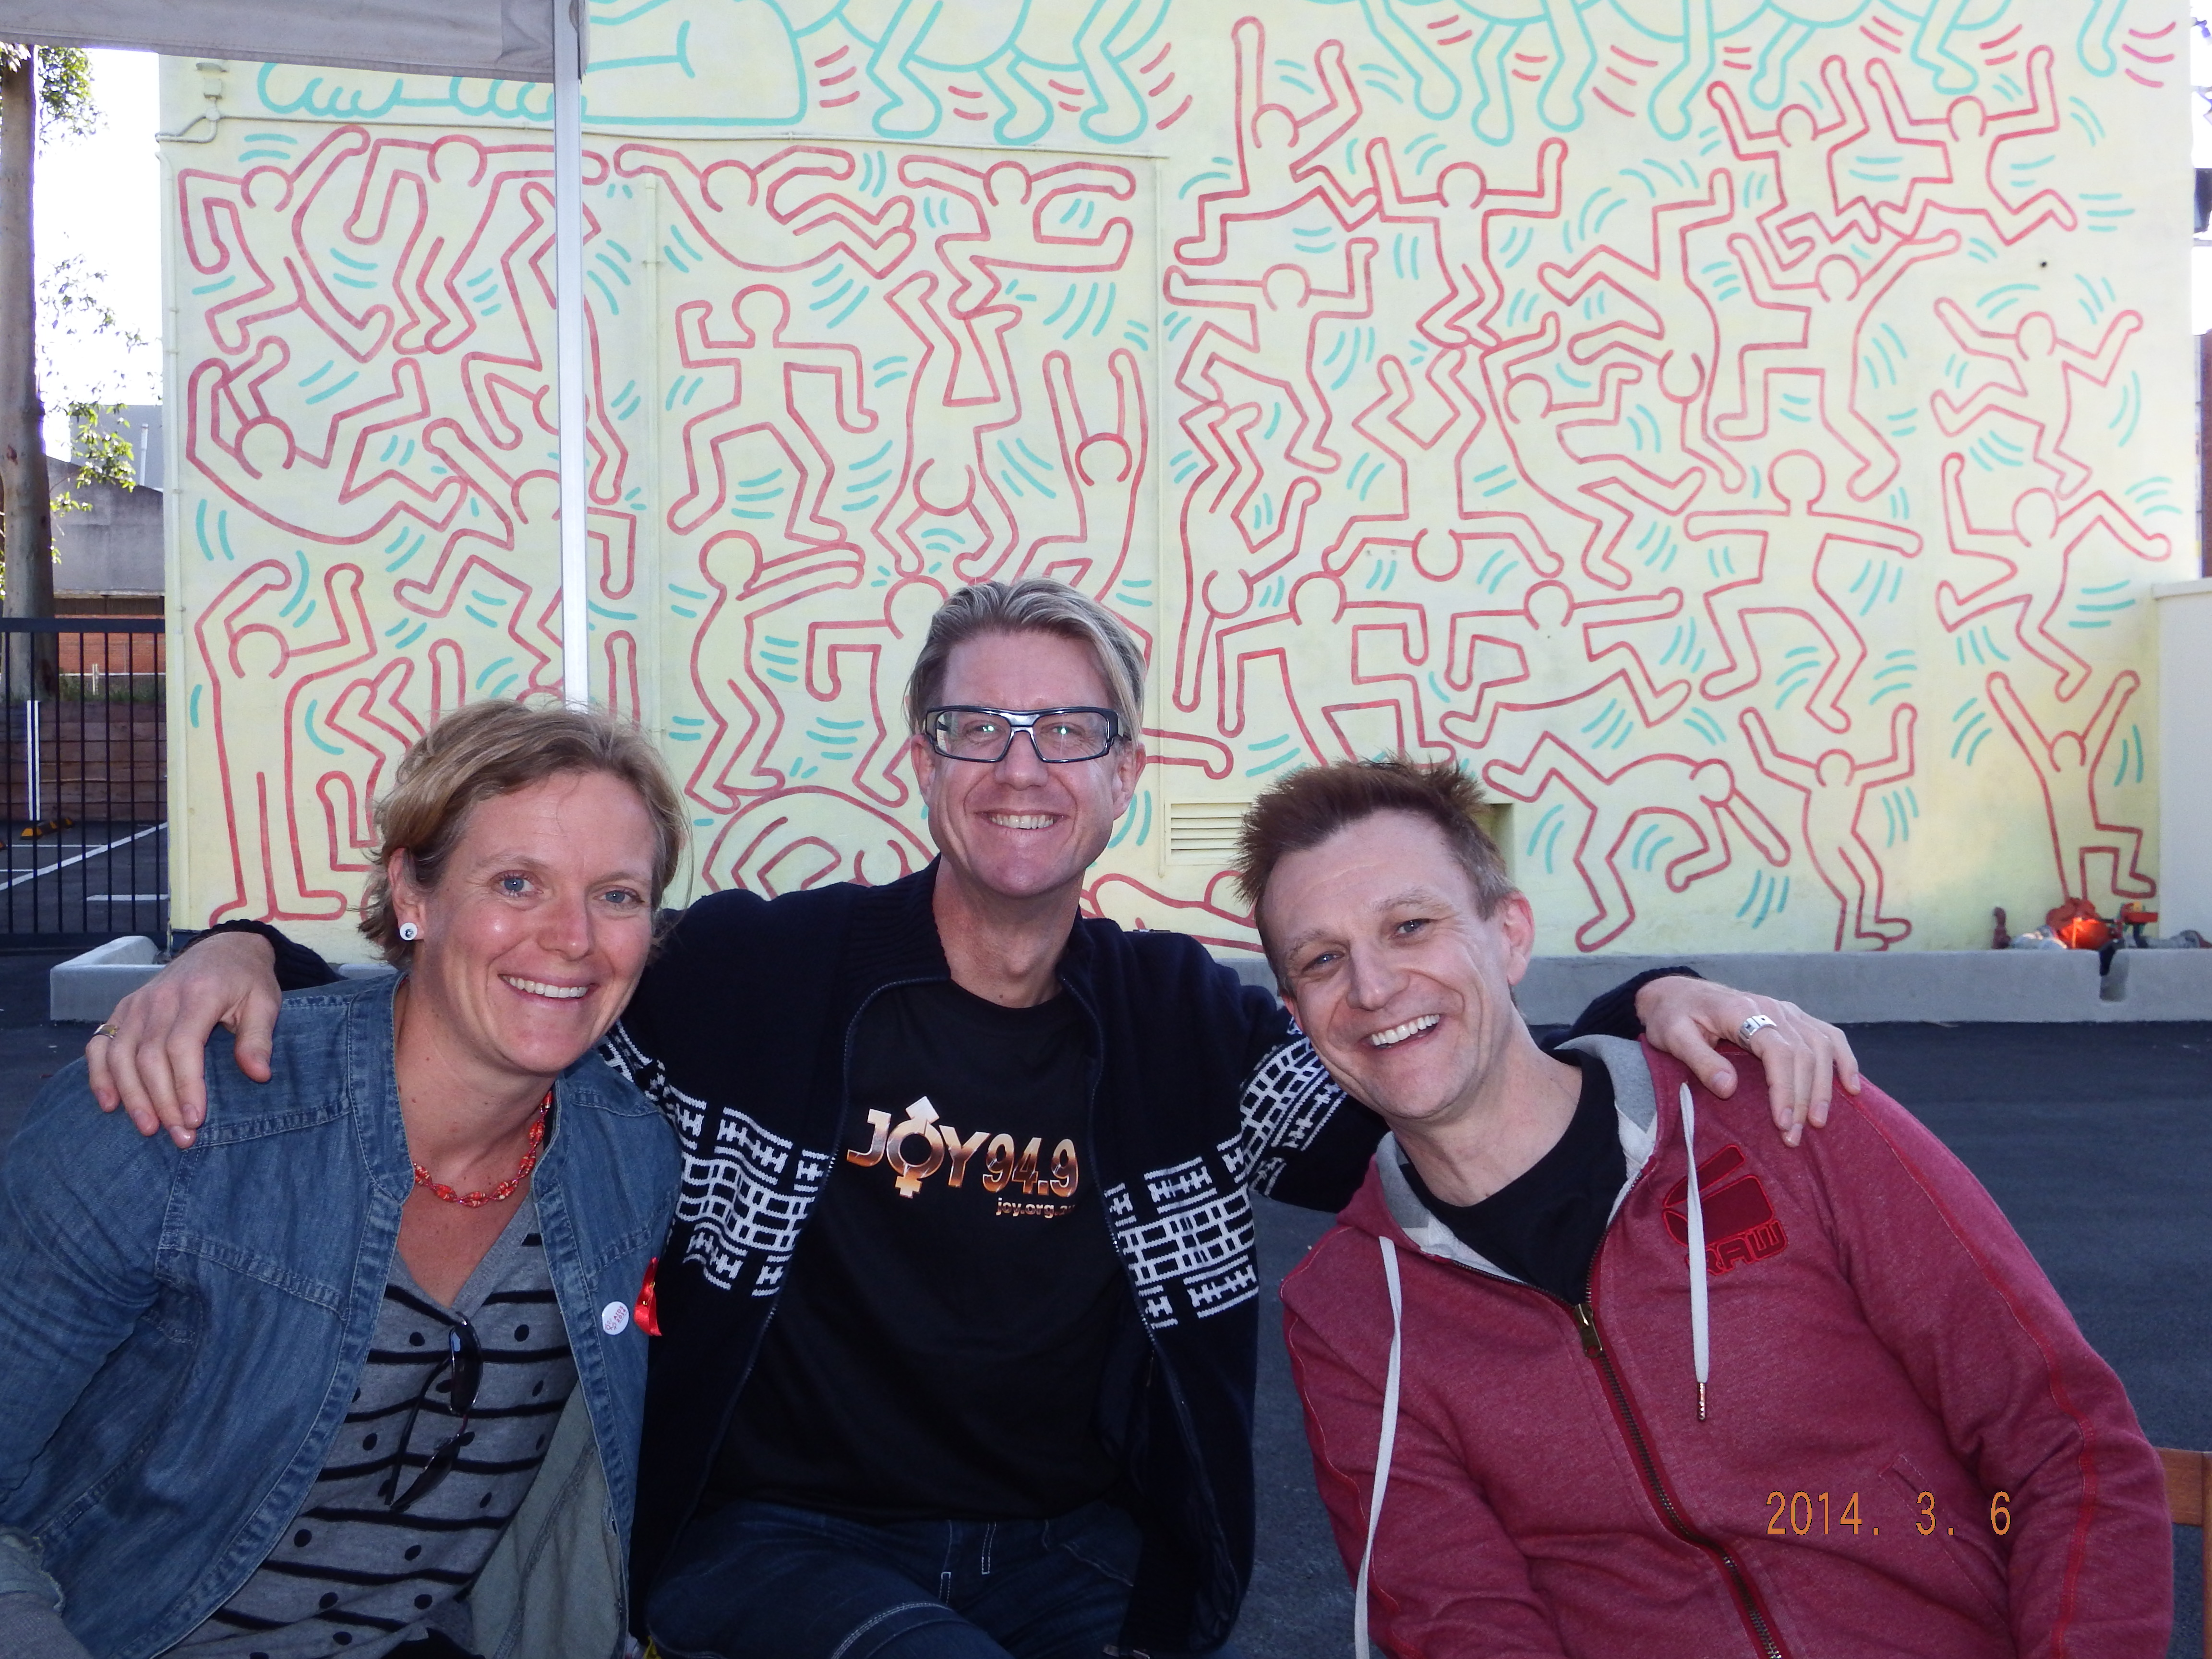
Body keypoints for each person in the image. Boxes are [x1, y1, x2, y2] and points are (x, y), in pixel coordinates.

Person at [89, 580, 1861, 1659]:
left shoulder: (1183, 1024)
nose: (1022, 766)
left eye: (1068, 731)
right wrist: (243, 950)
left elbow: (1433, 1085)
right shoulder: (759, 977)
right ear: (924, 762)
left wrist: (1642, 1006)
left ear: (1122, 776)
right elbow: (508, 977)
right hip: (775, 1537)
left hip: (1078, 1551)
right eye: (979, 728)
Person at [1239, 757, 2171, 1658]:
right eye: (1324, 959)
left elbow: (2065, 1446)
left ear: (1512, 934)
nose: (1372, 988)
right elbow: (1462, 1625)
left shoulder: (1783, 1114)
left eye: (1410, 926)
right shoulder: (1350, 1315)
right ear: (1296, 1011)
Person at [0, 701, 687, 1659]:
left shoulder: (629, 1159)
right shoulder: (174, 1119)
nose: (573, 937)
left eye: (616, 895)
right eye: (517, 882)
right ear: (413, 892)